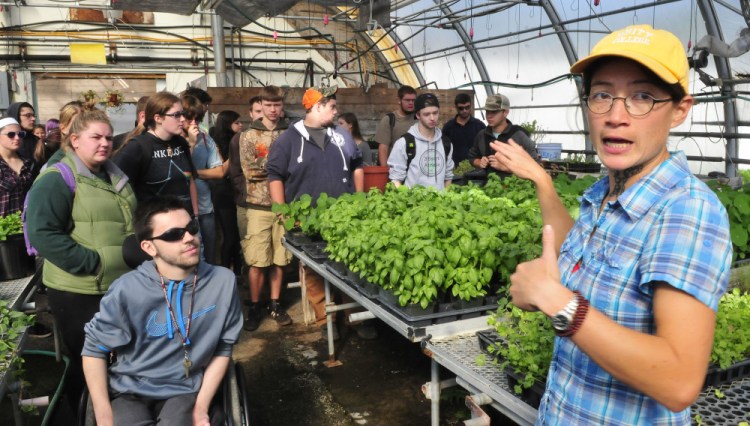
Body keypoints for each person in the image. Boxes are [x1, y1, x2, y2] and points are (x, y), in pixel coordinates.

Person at [490, 24, 732, 424]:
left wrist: (557, 302)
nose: (616, 116)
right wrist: (542, 181)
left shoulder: (686, 211)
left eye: (642, 97)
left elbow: (678, 381)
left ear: (679, 110)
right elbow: (586, 263)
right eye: (602, 94)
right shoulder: (605, 193)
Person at [82, 196, 242, 426]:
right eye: (173, 234)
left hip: (187, 390)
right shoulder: (126, 290)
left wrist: (201, 408)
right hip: (130, 390)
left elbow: (223, 348)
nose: (189, 238)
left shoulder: (223, 282)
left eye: (192, 228)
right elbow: (94, 349)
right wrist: (104, 417)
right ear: (148, 247)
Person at [26, 110, 137, 415]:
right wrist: (93, 263)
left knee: (118, 355)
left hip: (117, 284)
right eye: (95, 137)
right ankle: (81, 414)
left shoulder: (113, 174)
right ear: (74, 140)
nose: (104, 143)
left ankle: (115, 413)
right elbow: (41, 232)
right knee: (88, 360)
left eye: (108, 137)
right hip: (80, 290)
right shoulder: (57, 178)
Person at [267, 85, 364, 339]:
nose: (336, 111)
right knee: (314, 268)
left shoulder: (341, 135)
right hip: (307, 219)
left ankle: (356, 316)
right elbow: (275, 175)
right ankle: (326, 320)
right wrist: (283, 213)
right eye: (332, 106)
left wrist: (360, 200)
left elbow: (357, 165)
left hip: (344, 215)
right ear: (317, 106)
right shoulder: (288, 140)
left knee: (350, 263)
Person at [236, 85, 293, 331]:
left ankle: (275, 303)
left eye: (277, 105)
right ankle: (255, 305)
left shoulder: (290, 133)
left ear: (282, 106)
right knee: (258, 260)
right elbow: (251, 170)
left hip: (285, 205)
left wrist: (274, 169)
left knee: (281, 259)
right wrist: (281, 169)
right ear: (261, 105)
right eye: (268, 105)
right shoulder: (248, 135)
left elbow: (296, 167)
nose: (272, 109)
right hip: (258, 205)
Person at [113, 92, 199, 217]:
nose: (182, 119)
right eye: (176, 115)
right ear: (158, 118)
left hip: (185, 221)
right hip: (155, 225)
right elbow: (116, 187)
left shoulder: (180, 142)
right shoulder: (138, 146)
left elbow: (189, 179)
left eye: (183, 114)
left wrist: (195, 215)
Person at [182, 94, 227, 264]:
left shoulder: (206, 139)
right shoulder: (175, 141)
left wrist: (195, 173)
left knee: (209, 255)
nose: (193, 123)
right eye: (189, 118)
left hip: (205, 208)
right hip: (185, 210)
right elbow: (181, 172)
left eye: (197, 119)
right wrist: (191, 144)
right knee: (189, 257)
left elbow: (220, 171)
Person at [388, 93, 454, 189]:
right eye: (426, 114)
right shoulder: (403, 143)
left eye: (435, 113)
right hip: (413, 202)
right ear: (418, 115)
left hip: (440, 203)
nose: (432, 118)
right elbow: (395, 179)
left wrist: (445, 198)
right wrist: (405, 201)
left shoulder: (445, 143)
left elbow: (448, 176)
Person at [468, 93, 536, 179]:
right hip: (489, 187)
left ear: (505, 112)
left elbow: (535, 164)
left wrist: (506, 167)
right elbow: (472, 157)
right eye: (487, 111)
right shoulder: (482, 135)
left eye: (494, 112)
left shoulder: (519, 135)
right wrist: (480, 162)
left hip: (515, 188)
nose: (489, 116)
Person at [209, 110, 243, 275]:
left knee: (236, 237)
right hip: (223, 194)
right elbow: (222, 169)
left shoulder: (237, 140)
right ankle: (225, 272)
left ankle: (237, 271)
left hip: (235, 192)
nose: (241, 126)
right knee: (229, 236)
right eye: (237, 123)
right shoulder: (218, 144)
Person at [374, 85, 417, 166]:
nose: (411, 103)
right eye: (407, 100)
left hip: (415, 170)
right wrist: (385, 171)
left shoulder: (419, 119)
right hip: (394, 169)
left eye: (413, 100)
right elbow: (383, 148)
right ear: (399, 100)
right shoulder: (389, 120)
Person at [0, 118, 34, 216]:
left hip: (26, 225)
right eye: (11, 134)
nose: (17, 138)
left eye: (20, 134)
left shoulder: (28, 163)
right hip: (3, 228)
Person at [441, 93, 485, 164]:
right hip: (454, 169)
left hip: (476, 169)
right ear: (456, 107)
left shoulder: (479, 126)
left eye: (467, 107)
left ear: (471, 106)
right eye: (461, 108)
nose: (464, 110)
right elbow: (444, 149)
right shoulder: (448, 127)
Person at [7, 101, 43, 175]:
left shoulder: (37, 141)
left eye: (33, 115)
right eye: (28, 115)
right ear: (16, 116)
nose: (33, 119)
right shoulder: (6, 142)